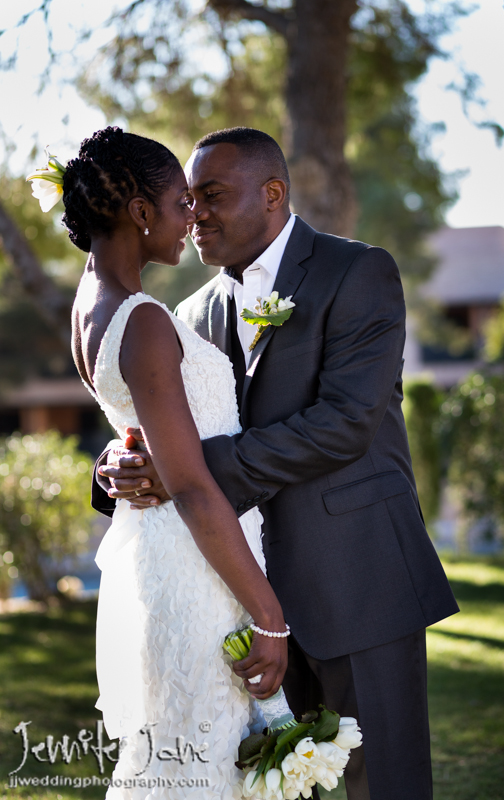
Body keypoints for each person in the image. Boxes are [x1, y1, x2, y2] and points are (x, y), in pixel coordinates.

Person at [95, 126, 460, 800]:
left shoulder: (357, 271)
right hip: (240, 603)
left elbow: (344, 422)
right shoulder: (190, 312)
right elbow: (166, 422)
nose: (194, 212)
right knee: (271, 786)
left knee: (385, 784)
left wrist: (188, 471)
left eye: (210, 195)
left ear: (272, 194)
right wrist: (116, 464)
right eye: (187, 198)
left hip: (360, 580)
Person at [62, 126, 289, 800]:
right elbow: (189, 487)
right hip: (199, 568)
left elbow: (137, 429)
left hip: (166, 559)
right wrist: (269, 617)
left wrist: (114, 458)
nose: (191, 218)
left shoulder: (88, 308)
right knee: (204, 765)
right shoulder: (146, 321)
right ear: (139, 213)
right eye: (179, 204)